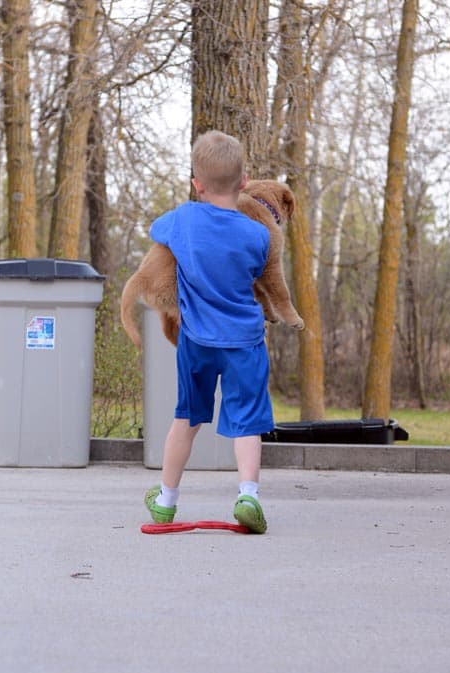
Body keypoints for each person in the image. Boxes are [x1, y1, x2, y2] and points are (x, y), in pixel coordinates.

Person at [144, 130, 274, 533]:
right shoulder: (258, 234)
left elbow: (155, 230)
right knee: (248, 420)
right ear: (244, 180)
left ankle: (166, 500)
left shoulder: (182, 219)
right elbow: (256, 270)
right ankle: (248, 494)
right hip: (244, 342)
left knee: (187, 417)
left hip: (196, 341)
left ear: (196, 183)